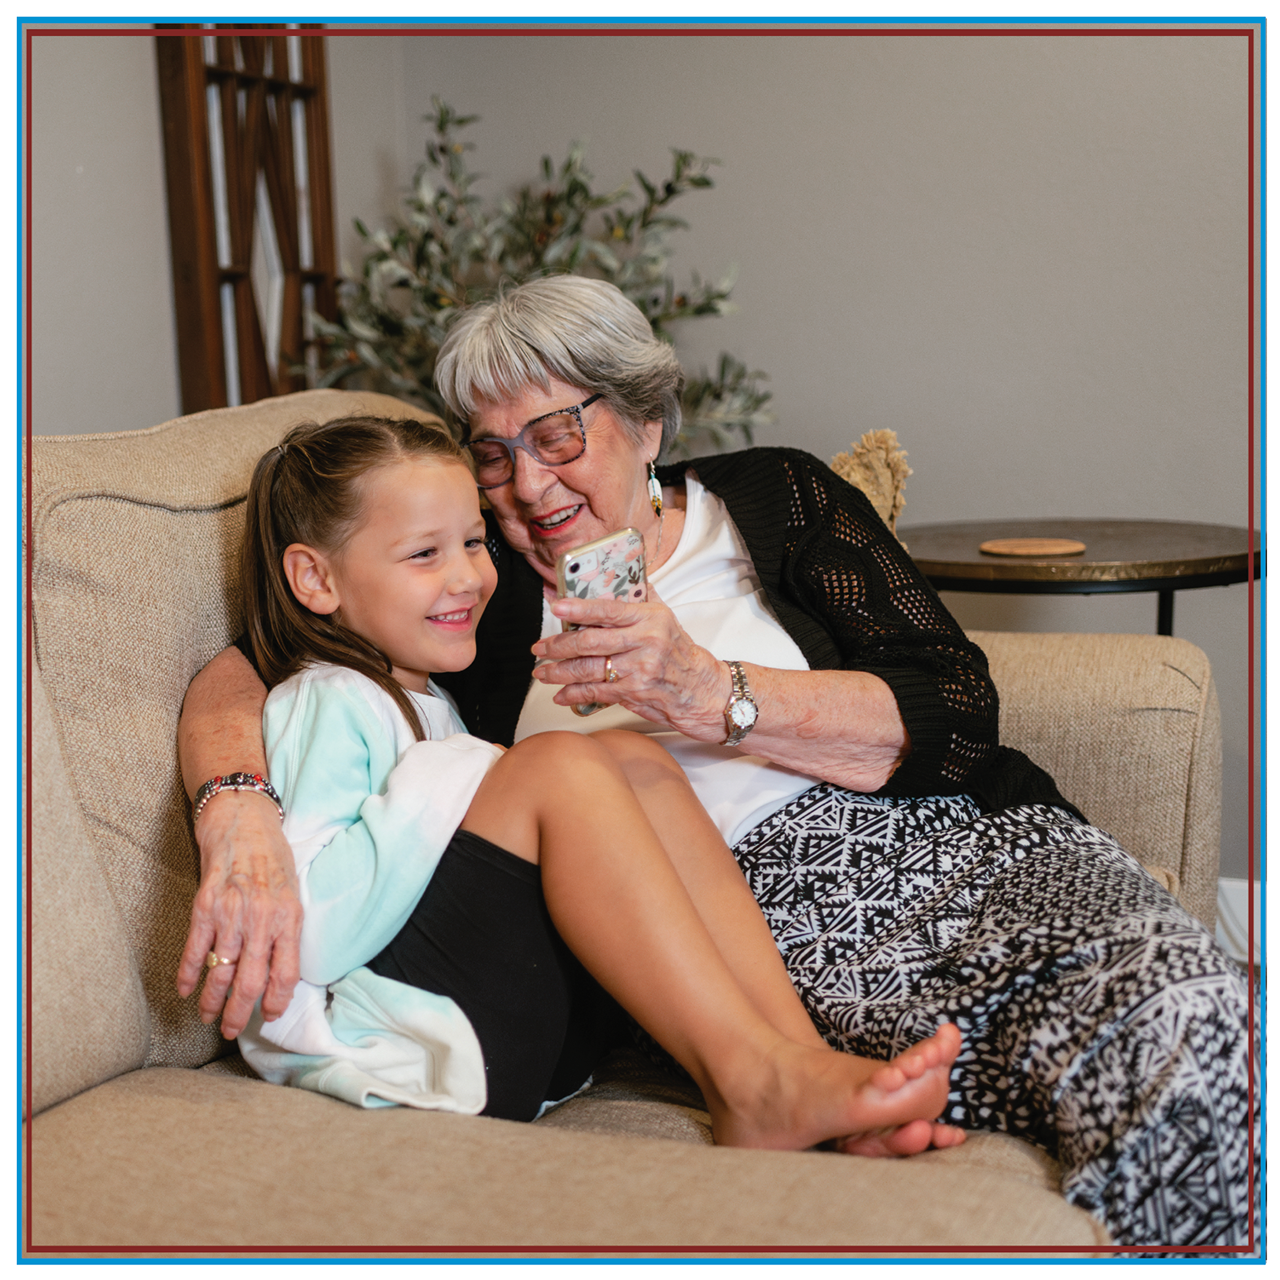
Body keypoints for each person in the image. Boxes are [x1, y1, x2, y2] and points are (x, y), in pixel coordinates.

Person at [178, 277, 1254, 1247]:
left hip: (976, 838)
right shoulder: (473, 587)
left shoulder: (774, 499)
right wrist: (237, 809)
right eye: (491, 452)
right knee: (1160, 1029)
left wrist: (709, 691)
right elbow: (262, 655)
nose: (524, 484)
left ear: (644, 420)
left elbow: (958, 708)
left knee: (1205, 994)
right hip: (775, 917)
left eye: (556, 433)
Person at [226, 411, 965, 1150]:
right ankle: (754, 1082)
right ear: (315, 578)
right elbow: (312, 934)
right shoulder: (324, 697)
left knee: (636, 758)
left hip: (529, 1032)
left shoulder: (425, 697)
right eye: (424, 554)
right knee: (558, 761)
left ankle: (800, 1065)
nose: (468, 577)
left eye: (475, 542)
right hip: (412, 1039)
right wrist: (471, 770)